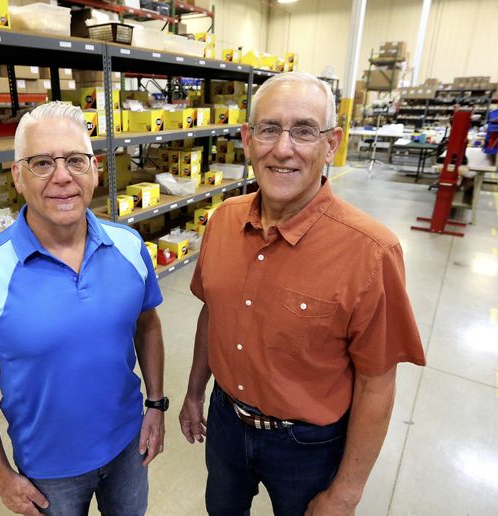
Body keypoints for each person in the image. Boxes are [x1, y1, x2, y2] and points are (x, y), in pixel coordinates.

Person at [179, 72, 426, 516]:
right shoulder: (221, 222)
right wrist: (195, 391)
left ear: (331, 144)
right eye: (269, 129)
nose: (283, 148)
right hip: (225, 421)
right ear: (248, 139)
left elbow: (377, 383)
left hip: (308, 445)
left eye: (304, 131)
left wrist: (345, 494)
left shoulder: (371, 252)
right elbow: (210, 314)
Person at [0, 102, 167, 516]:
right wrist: (0, 475)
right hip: (47, 475)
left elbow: (147, 324)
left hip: (128, 447)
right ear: (17, 175)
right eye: (42, 162)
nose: (62, 177)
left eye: (75, 161)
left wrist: (155, 404)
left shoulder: (130, 246)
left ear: (96, 170)